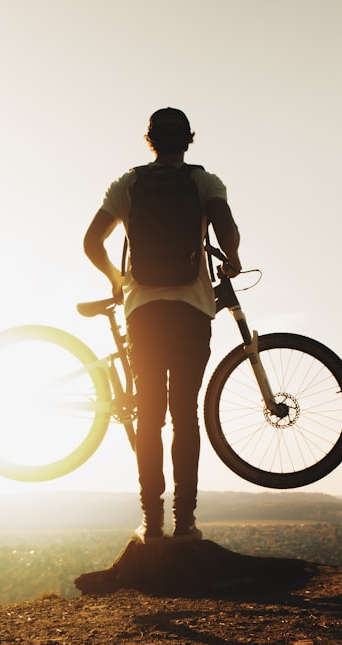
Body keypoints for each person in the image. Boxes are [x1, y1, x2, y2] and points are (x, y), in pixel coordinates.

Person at [83, 108, 241, 543]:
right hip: (192, 309)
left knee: (149, 415)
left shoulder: (127, 184)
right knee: (184, 415)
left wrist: (119, 283)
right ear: (189, 140)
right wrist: (234, 258)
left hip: (143, 312)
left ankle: (151, 524)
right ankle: (185, 522)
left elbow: (91, 242)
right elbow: (224, 225)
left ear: (148, 140)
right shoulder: (205, 181)